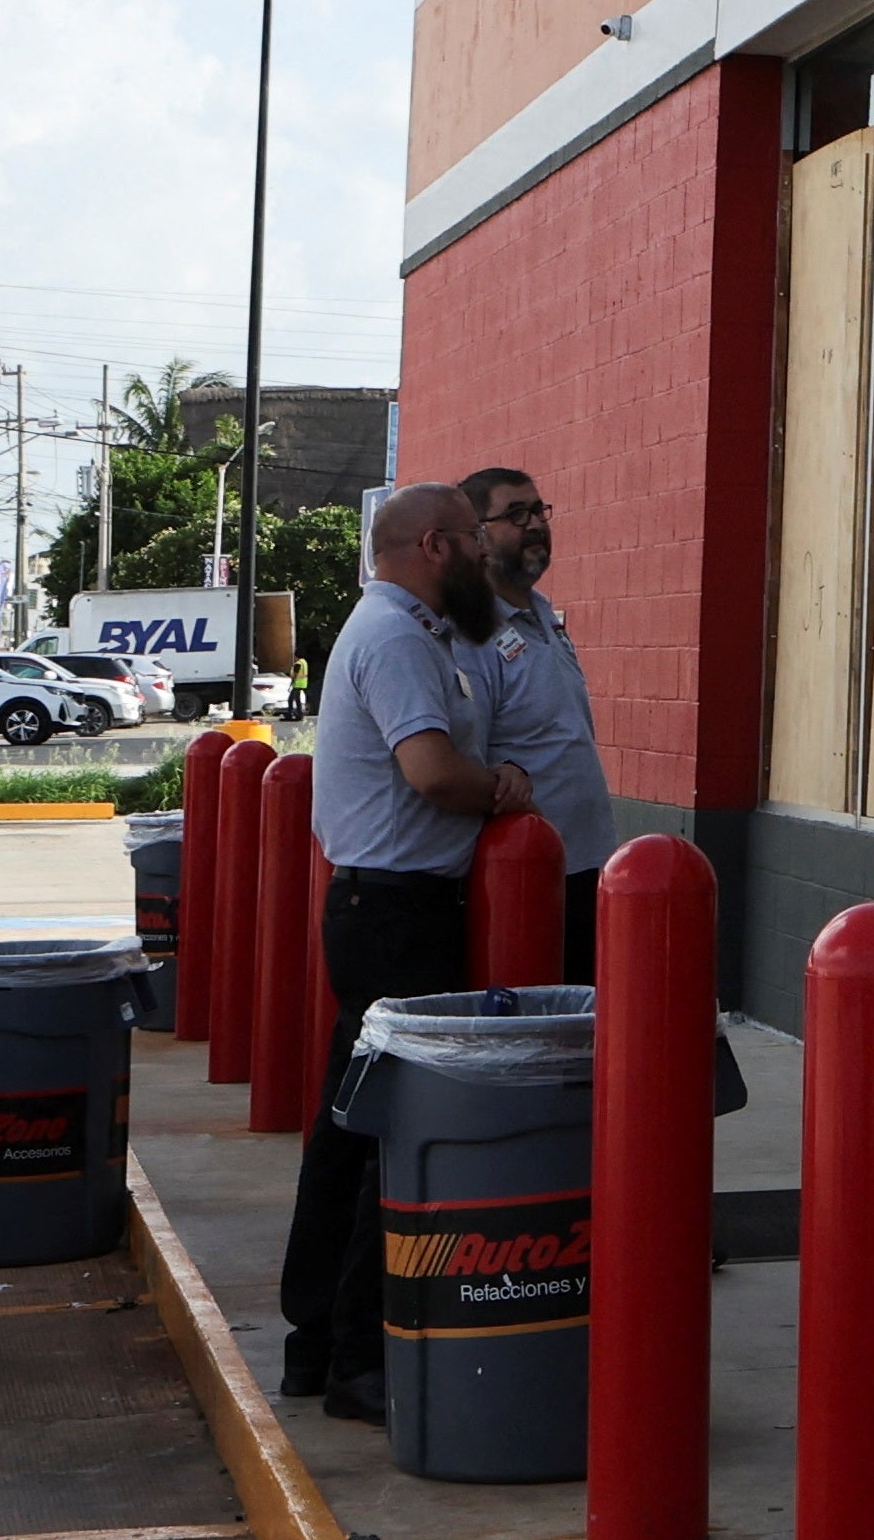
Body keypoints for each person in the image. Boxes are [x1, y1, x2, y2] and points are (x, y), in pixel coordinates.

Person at [277, 485, 536, 1423]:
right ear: (436, 544)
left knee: (350, 1131)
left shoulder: (414, 632)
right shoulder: (394, 638)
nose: (486, 558)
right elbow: (431, 771)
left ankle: (315, 1340)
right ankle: (357, 1356)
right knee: (390, 1137)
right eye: (474, 542)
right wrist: (502, 788)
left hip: (388, 907)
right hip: (396, 915)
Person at [461, 465, 617, 980]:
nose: (535, 525)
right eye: (515, 514)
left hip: (585, 868)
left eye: (539, 511)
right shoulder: (473, 634)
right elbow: (468, 759)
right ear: (476, 535)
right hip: (525, 883)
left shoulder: (545, 615)